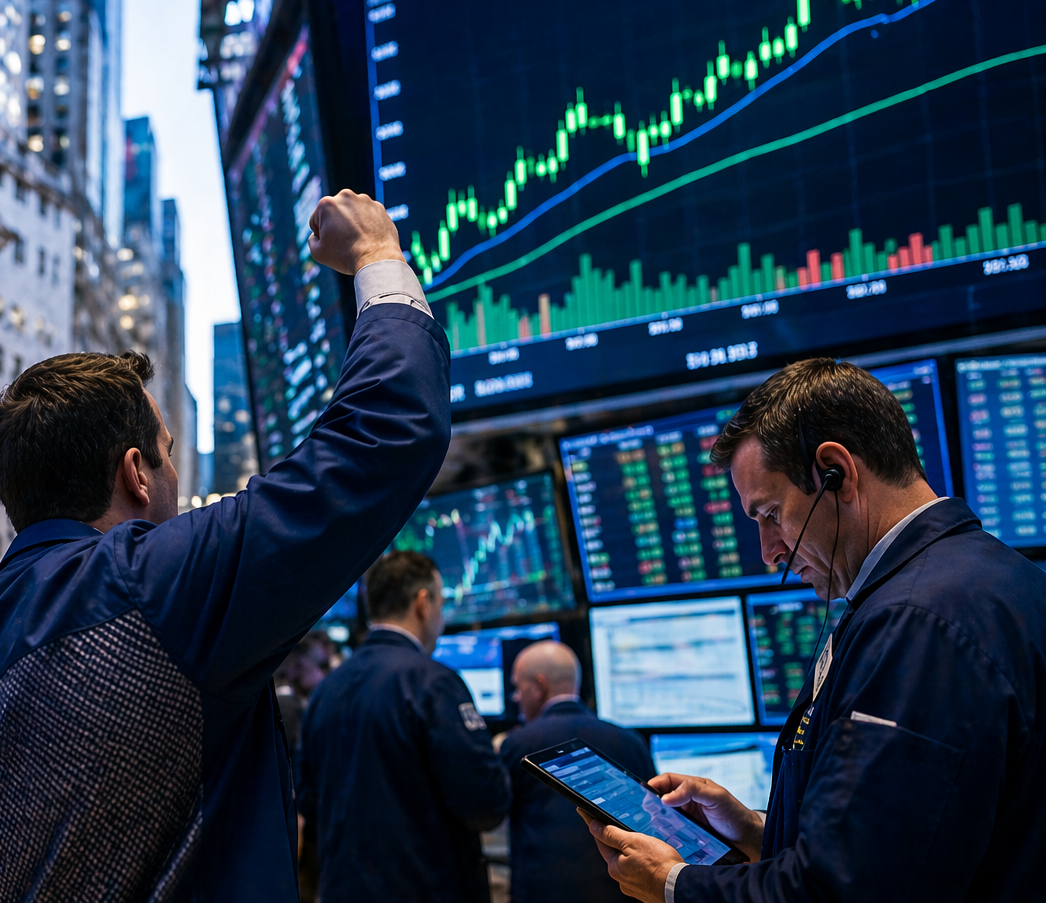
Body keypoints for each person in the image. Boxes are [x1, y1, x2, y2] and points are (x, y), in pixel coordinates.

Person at [0, 189, 451, 901]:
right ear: (135, 474)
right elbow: (383, 433)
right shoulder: (157, 587)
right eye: (168, 453)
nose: (176, 476)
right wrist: (377, 257)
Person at [582, 359, 1046, 903]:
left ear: (837, 473)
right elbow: (906, 842)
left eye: (771, 514)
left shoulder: (916, 624)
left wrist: (672, 883)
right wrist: (758, 829)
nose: (769, 552)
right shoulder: (996, 578)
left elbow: (843, 891)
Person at [297, 550, 511, 903]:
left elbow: (308, 798)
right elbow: (484, 803)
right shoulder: (434, 682)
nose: (441, 619)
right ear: (423, 603)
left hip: (343, 888)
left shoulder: (327, 688)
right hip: (425, 887)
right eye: (441, 604)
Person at [499, 640, 653, 903]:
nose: (515, 697)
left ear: (539, 686)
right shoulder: (629, 741)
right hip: (621, 891)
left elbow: (491, 812)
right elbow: (655, 817)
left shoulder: (519, 744)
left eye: (517, 686)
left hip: (543, 892)